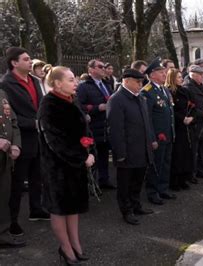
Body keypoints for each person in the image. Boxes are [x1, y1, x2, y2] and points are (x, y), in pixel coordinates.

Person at [37, 66, 95, 264]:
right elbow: (56, 141)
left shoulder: (72, 99)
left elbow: (83, 128)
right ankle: (65, 248)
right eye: (71, 80)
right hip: (58, 167)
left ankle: (76, 244)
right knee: (60, 208)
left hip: (74, 166)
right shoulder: (48, 104)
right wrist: (81, 157)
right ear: (57, 83)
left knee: (73, 207)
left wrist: (88, 146)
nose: (75, 83)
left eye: (74, 79)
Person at [1, 47, 49, 239]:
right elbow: (8, 117)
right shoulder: (6, 84)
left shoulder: (35, 81)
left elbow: (41, 105)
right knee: (17, 183)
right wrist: (33, 123)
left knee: (37, 176)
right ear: (14, 62)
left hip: (37, 138)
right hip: (20, 139)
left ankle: (36, 209)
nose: (31, 62)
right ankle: (11, 221)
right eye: (26, 59)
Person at [107, 69, 154, 225]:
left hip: (141, 149)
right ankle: (126, 211)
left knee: (137, 181)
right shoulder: (117, 99)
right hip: (127, 151)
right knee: (125, 184)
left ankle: (136, 205)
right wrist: (119, 153)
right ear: (126, 81)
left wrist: (150, 141)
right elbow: (115, 130)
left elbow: (147, 123)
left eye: (142, 82)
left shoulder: (140, 98)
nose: (141, 85)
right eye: (137, 82)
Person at [141, 59, 176, 205]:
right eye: (161, 72)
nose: (164, 74)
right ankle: (152, 192)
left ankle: (163, 188)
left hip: (167, 133)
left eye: (164, 72)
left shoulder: (164, 89)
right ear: (152, 75)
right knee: (156, 164)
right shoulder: (147, 91)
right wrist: (152, 138)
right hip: (157, 135)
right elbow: (147, 118)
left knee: (166, 163)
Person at [77, 59, 114, 189]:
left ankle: (104, 180)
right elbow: (79, 106)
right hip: (93, 127)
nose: (103, 69)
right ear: (91, 70)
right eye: (100, 66)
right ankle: (92, 184)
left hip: (106, 127)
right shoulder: (84, 86)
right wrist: (97, 108)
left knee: (104, 155)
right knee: (93, 156)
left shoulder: (107, 84)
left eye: (104, 66)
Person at [0, 90, 24, 248]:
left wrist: (16, 143)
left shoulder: (2, 93)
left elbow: (12, 122)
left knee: (3, 195)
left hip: (4, 157)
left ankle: (2, 232)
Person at [184, 65, 203, 181]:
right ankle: (192, 173)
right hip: (195, 124)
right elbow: (188, 108)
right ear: (193, 75)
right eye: (201, 75)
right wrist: (201, 113)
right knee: (193, 151)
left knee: (202, 149)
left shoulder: (202, 86)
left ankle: (201, 171)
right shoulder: (188, 87)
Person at [168, 68, 194, 190]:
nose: (181, 79)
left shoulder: (185, 91)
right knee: (177, 154)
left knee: (185, 153)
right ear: (172, 79)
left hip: (187, 125)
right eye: (178, 77)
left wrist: (191, 116)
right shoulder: (169, 92)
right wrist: (183, 118)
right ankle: (174, 181)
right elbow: (172, 110)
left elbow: (192, 105)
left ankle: (183, 178)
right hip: (177, 126)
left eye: (181, 77)